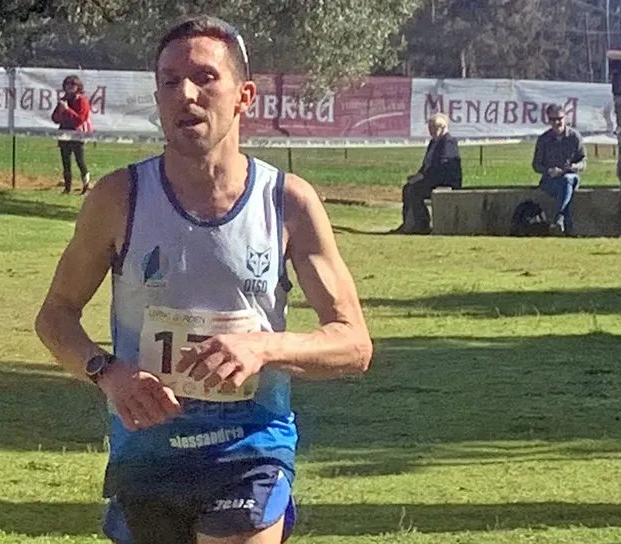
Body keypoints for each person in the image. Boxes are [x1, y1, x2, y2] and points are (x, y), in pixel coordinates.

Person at [34, 14, 372, 544]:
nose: (185, 95)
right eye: (170, 82)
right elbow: (55, 316)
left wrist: (264, 348)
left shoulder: (287, 202)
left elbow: (353, 343)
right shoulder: (119, 198)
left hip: (250, 447)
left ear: (244, 96)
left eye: (205, 78)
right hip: (148, 452)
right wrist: (108, 372)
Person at [395, 113, 462, 234]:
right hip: (432, 179)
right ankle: (409, 223)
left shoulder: (449, 142)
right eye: (430, 127)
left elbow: (442, 166)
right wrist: (417, 176)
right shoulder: (433, 143)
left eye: (434, 127)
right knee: (408, 187)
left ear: (442, 127)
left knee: (416, 190)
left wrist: (423, 177)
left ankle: (421, 224)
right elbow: (426, 165)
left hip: (444, 181)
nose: (431, 131)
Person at [532, 104, 587, 235]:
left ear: (565, 118)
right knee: (564, 187)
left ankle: (559, 217)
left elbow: (584, 162)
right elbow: (536, 165)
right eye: (552, 119)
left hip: (571, 177)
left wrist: (575, 166)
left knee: (567, 180)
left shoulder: (574, 137)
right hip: (550, 180)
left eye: (559, 118)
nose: (556, 122)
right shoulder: (543, 139)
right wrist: (549, 170)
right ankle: (565, 225)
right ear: (548, 120)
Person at [51, 75, 92, 194]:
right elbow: (55, 118)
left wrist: (67, 110)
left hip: (77, 134)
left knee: (80, 160)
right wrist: (61, 112)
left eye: (73, 84)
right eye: (67, 84)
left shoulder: (82, 101)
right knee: (66, 161)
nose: (70, 87)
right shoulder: (63, 100)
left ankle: (85, 185)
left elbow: (80, 119)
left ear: (78, 87)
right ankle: (67, 188)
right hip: (64, 133)